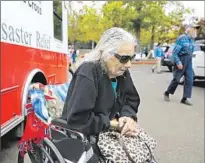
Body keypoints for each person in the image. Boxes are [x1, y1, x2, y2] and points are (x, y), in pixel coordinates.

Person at [61, 27, 140, 158]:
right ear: (106, 53)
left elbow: (131, 99)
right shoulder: (88, 72)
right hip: (84, 137)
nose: (129, 64)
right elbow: (78, 119)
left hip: (107, 131)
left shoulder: (121, 71)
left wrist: (128, 117)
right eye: (124, 58)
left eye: (132, 57)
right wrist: (113, 124)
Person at [164, 23, 200, 105]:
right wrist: (179, 62)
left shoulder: (192, 39)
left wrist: (190, 61)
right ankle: (167, 92)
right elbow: (174, 53)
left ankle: (184, 98)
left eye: (196, 29)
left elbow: (191, 51)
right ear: (189, 29)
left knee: (190, 79)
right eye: (194, 28)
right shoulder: (182, 38)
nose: (196, 30)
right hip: (181, 59)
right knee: (177, 79)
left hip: (189, 61)